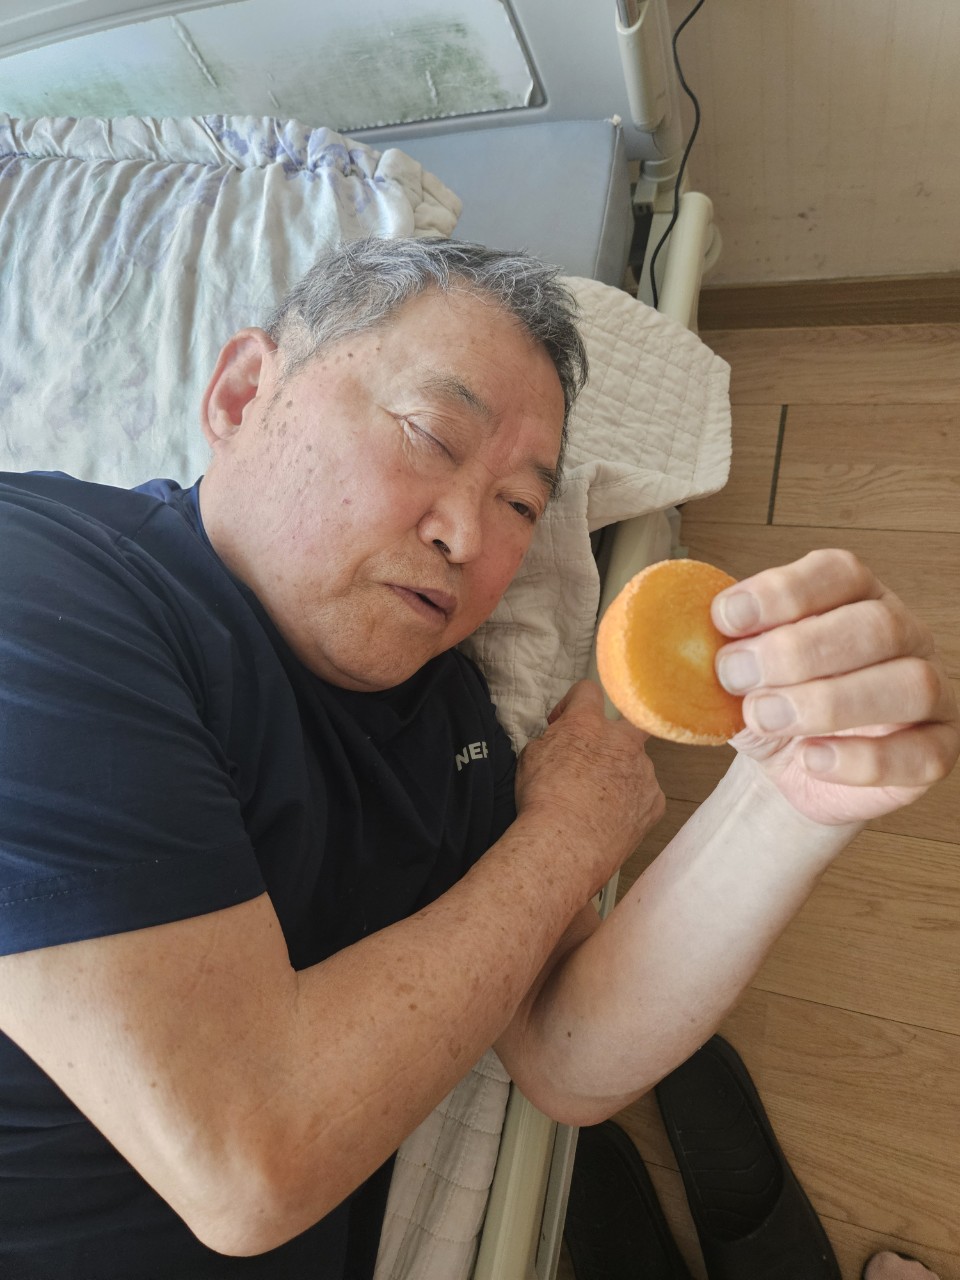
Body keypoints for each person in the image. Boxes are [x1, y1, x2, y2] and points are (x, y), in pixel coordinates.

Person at [0, 237, 956, 1279]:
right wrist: (568, 836)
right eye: (431, 435)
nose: (466, 535)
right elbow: (248, 1156)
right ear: (241, 394)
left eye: (520, 506)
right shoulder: (44, 581)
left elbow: (562, 1051)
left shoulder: (451, 718)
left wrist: (788, 798)